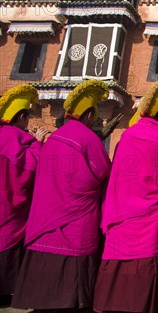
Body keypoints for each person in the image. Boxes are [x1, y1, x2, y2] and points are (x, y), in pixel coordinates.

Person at [12, 79, 112, 310]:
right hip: (75, 221)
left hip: (46, 217)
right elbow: (102, 173)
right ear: (89, 116)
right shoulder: (88, 139)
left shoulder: (54, 138)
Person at [94, 81, 158, 312]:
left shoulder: (127, 136)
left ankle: (109, 302)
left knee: (118, 255)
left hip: (121, 209)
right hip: (151, 212)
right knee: (145, 258)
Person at [0, 85, 48, 306]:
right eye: (26, 117)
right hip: (11, 207)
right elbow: (32, 169)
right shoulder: (20, 140)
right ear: (20, 117)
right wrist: (38, 142)